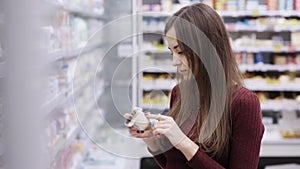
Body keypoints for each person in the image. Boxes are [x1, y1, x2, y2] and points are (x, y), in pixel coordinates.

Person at [127, 3, 264, 169]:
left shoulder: (243, 103)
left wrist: (183, 142)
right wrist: (150, 139)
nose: (174, 62)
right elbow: (173, 163)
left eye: (181, 51)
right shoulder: (179, 93)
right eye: (172, 52)